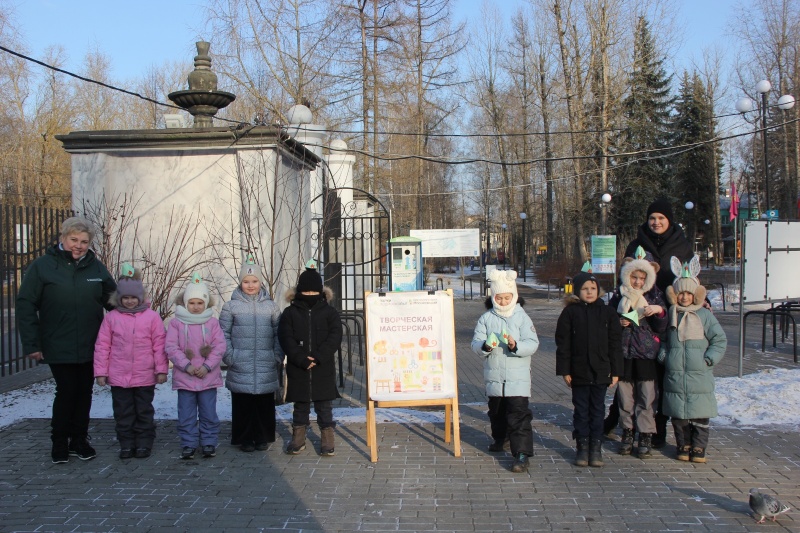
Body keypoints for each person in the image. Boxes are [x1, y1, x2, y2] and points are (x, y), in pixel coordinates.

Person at [16, 217, 116, 463]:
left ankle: (79, 440)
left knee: (85, 392)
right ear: (62, 238)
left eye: (84, 241)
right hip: (57, 342)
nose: (78, 246)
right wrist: (32, 344)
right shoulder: (43, 266)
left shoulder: (96, 267)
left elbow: (115, 300)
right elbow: (26, 304)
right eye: (74, 240)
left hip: (90, 343)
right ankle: (59, 442)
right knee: (66, 391)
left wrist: (138, 320)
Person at [610, 198, 694, 448]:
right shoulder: (637, 244)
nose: (656, 222)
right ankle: (623, 424)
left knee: (660, 380)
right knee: (631, 380)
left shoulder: (682, 245)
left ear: (669, 220)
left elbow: (692, 279)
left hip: (668, 314)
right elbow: (624, 280)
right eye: (652, 218)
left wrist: (700, 298)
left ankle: (656, 428)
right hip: (637, 321)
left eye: (661, 218)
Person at [93, 264, 168, 459]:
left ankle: (144, 443)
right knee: (123, 413)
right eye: (125, 298)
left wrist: (161, 370)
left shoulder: (151, 318)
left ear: (140, 297)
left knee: (143, 411)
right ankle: (126, 444)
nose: (129, 301)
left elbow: (159, 345)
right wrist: (101, 372)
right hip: (119, 376)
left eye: (133, 297)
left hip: (144, 375)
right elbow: (103, 345)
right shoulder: (111, 318)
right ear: (119, 298)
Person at [471, 270, 540, 473]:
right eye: (499, 298)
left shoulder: (522, 317)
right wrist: (486, 346)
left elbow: (533, 343)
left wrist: (515, 345)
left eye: (506, 297)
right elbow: (475, 343)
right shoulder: (486, 318)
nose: (502, 301)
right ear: (493, 297)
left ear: (514, 296)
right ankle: (500, 438)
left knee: (518, 416)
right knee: (497, 413)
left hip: (517, 379)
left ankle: (521, 454)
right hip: (494, 377)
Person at [659, 256, 726, 463]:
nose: (685, 297)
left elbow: (719, 339)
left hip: (699, 374)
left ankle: (698, 446)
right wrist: (664, 356)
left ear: (695, 295)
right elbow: (661, 339)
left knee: (699, 414)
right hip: (676, 374)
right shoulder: (672, 314)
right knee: (679, 416)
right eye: (681, 293)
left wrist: (709, 359)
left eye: (689, 293)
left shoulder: (704, 316)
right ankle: (683, 444)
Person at [556, 268, 623, 467]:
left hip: (602, 370)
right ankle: (582, 447)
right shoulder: (570, 312)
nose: (590, 292)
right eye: (585, 288)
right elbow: (563, 343)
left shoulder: (607, 312)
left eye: (593, 288)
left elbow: (615, 343)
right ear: (577, 291)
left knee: (597, 410)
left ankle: (596, 447)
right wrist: (565, 370)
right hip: (579, 371)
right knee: (581, 410)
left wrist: (616, 371)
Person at [607, 247, 668, 458]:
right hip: (624, 353)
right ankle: (627, 432)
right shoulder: (619, 295)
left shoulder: (655, 295)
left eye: (643, 278)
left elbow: (662, 326)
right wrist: (618, 322)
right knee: (625, 397)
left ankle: (646, 434)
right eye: (634, 277)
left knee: (647, 397)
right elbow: (607, 320)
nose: (638, 282)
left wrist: (658, 312)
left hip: (646, 354)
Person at [278, 263, 343, 456]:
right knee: (300, 406)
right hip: (299, 368)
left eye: (312, 292)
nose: (309, 296)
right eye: (305, 292)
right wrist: (301, 359)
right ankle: (298, 437)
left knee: (324, 406)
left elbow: (335, 337)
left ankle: (327, 437)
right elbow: (286, 338)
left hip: (323, 368)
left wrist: (318, 357)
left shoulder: (329, 312)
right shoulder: (289, 313)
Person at [220, 257, 283, 452]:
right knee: (243, 404)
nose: (250, 285)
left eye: (254, 281)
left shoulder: (271, 307)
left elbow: (278, 334)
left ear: (260, 282)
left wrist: (277, 356)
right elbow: (223, 334)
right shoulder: (231, 307)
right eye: (246, 281)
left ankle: (262, 437)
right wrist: (230, 357)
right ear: (240, 282)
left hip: (266, 363)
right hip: (240, 363)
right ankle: (245, 438)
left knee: (264, 404)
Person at [166, 273, 226, 460]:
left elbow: (220, 346)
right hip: (186, 377)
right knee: (186, 413)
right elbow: (171, 346)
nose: (196, 307)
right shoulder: (176, 323)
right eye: (191, 303)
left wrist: (207, 366)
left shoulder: (212, 323)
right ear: (185, 303)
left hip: (207, 377)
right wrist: (186, 366)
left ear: (206, 303)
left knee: (208, 412)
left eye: (200, 303)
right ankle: (188, 443)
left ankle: (208, 442)